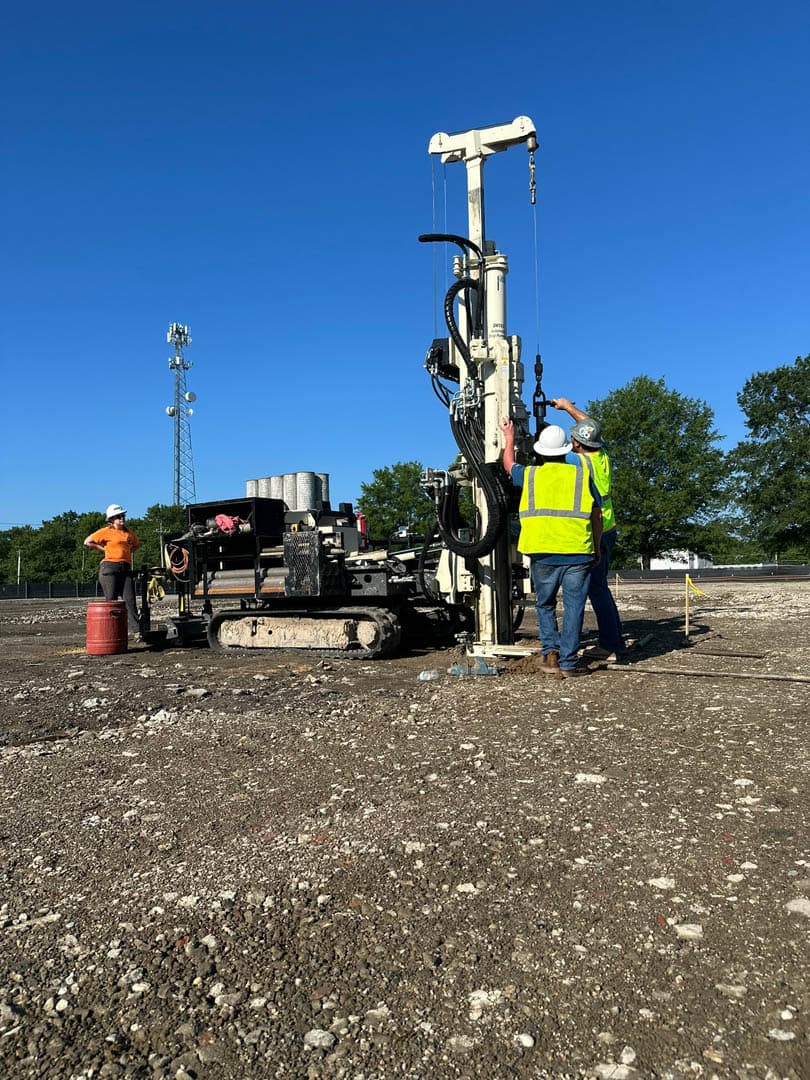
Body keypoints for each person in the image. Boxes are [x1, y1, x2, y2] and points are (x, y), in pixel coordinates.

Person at [500, 419, 602, 677]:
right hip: (578, 551)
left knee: (545, 604)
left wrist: (508, 435)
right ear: (566, 450)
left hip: (542, 552)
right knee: (574, 607)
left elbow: (509, 465)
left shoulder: (530, 474)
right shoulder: (582, 475)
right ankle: (568, 663)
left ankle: (550, 653)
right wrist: (597, 547)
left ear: (540, 451)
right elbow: (597, 515)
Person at [551, 397, 624, 660]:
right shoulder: (601, 456)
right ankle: (615, 637)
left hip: (596, 530)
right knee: (601, 586)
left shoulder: (578, 464)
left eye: (573, 440)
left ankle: (610, 644)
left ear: (578, 445)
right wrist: (567, 407)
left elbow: (551, 461)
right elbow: (590, 425)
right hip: (609, 527)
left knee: (596, 588)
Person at [84, 504, 141, 639]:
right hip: (109, 567)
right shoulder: (105, 532)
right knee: (112, 601)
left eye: (123, 516)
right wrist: (104, 549)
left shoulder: (128, 533)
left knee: (130, 600)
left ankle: (137, 631)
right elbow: (87, 541)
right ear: (111, 519)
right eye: (119, 517)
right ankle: (113, 633)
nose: (122, 518)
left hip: (125, 568)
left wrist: (127, 552)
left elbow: (136, 545)